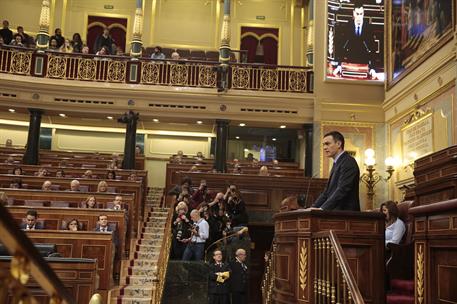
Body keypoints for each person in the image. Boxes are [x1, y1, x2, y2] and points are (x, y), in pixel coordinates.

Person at [311, 131, 360, 211]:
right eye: (323, 145)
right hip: (336, 213)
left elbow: (343, 189)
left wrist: (323, 208)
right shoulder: (337, 162)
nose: (324, 148)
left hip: (346, 215)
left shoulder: (348, 161)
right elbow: (327, 193)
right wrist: (313, 208)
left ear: (338, 144)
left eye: (327, 144)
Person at [332, 0, 378, 79]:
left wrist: (373, 68)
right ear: (353, 13)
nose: (359, 16)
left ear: (363, 14)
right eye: (357, 14)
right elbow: (342, 47)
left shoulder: (368, 28)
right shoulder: (348, 26)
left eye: (361, 14)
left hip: (364, 60)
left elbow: (373, 49)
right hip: (350, 60)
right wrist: (339, 65)